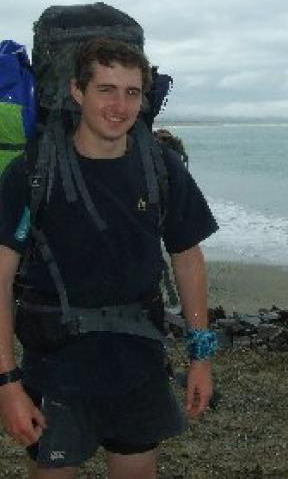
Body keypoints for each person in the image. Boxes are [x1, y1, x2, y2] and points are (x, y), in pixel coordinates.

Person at [0, 38, 218, 478]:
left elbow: (187, 258)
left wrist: (202, 355)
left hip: (139, 367)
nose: (120, 106)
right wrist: (7, 384)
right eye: (106, 89)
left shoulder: (161, 168)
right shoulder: (33, 171)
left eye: (132, 92)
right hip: (56, 369)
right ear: (78, 92)